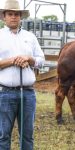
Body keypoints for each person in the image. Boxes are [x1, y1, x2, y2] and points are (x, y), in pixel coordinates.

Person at [0, 0, 45, 149]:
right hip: (5, 93)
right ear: (4, 17)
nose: (13, 17)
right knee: (3, 135)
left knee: (27, 135)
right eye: (10, 14)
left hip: (27, 93)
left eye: (16, 14)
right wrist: (13, 60)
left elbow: (41, 60)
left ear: (20, 17)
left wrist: (29, 59)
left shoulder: (30, 37)